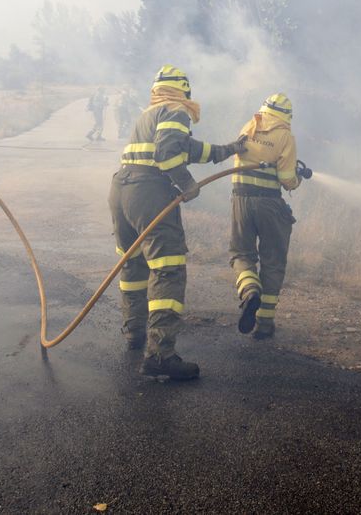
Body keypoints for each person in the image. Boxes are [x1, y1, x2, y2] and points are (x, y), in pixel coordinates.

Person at [112, 65, 247, 380]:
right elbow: (168, 153)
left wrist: (230, 149)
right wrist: (187, 184)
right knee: (168, 268)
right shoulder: (176, 110)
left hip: (120, 189)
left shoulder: (150, 114)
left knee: (132, 263)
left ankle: (134, 332)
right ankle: (160, 355)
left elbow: (189, 149)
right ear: (184, 90)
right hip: (148, 191)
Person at [228, 93, 306, 340]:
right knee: (272, 261)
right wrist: (298, 178)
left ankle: (249, 290)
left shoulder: (249, 126)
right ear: (286, 115)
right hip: (269, 204)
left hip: (240, 200)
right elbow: (287, 179)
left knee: (241, 253)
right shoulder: (285, 136)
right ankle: (264, 323)